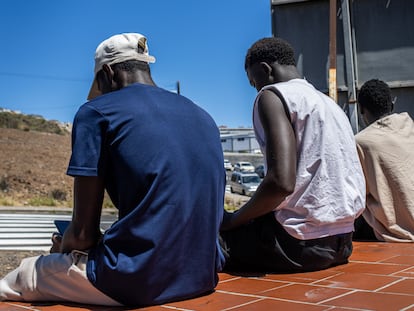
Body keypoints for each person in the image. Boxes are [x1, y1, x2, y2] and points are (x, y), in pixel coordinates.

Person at [0, 33, 226, 307]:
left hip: (138, 279)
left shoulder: (96, 113)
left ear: (107, 72)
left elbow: (83, 234)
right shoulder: (203, 115)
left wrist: (63, 248)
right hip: (201, 275)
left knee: (22, 276)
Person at [220, 37, 365, 273]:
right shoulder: (329, 103)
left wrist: (233, 219)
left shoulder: (272, 96)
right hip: (343, 242)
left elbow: (280, 183)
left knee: (208, 240)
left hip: (298, 244)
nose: (255, 88)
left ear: (265, 70)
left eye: (253, 81)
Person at [353, 79, 414, 242]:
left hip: (395, 227)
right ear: (392, 106)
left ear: (361, 110)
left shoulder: (361, 142)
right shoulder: (410, 128)